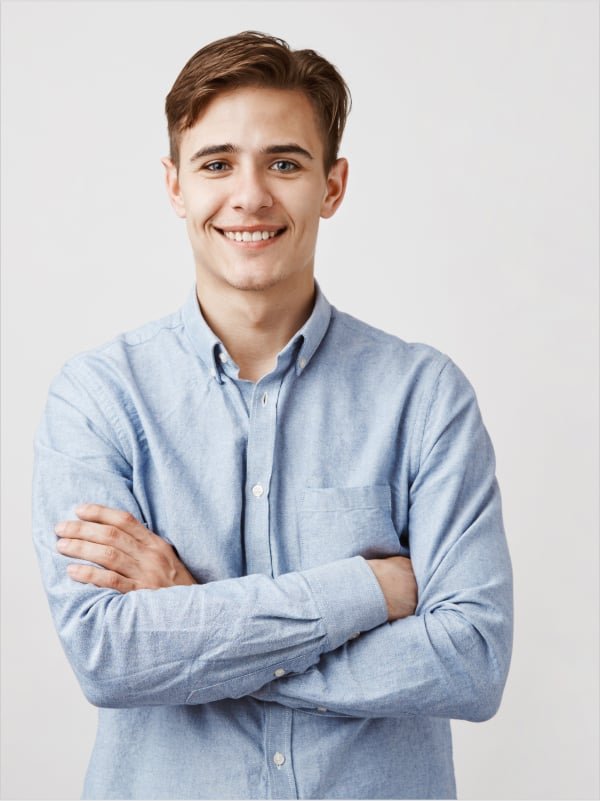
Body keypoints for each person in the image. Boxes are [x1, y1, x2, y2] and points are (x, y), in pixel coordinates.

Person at [32, 30, 513, 800]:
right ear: (175, 185)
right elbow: (109, 658)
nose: (250, 195)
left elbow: (471, 660)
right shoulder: (98, 398)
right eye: (216, 163)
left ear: (332, 185)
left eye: (284, 163)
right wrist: (368, 591)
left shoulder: (424, 397)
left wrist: (188, 620)